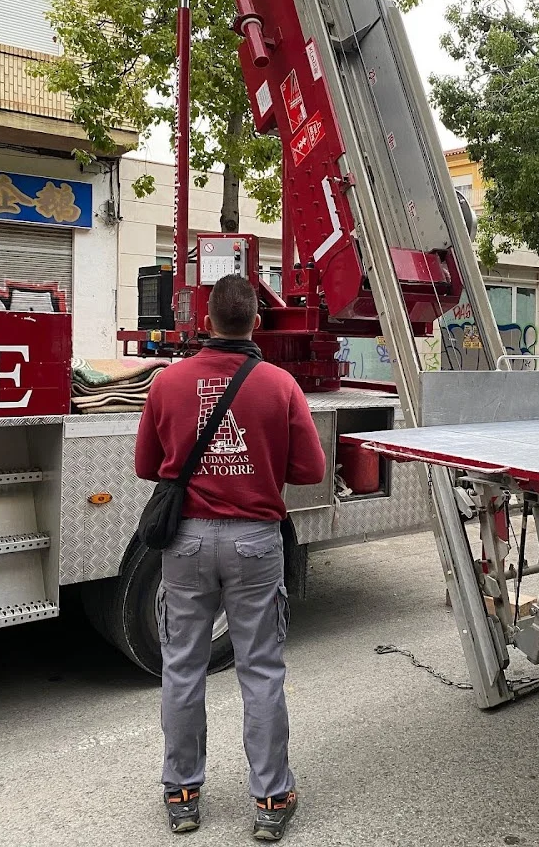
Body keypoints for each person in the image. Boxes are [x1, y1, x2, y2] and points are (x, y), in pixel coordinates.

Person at [135, 274, 326, 840]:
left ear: (206, 321)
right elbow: (311, 471)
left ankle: (183, 792)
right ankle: (270, 800)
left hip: (186, 544)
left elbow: (148, 465)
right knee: (261, 670)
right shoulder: (280, 385)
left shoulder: (167, 382)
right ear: (256, 323)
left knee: (183, 668)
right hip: (255, 544)